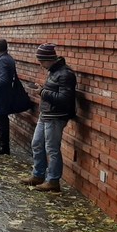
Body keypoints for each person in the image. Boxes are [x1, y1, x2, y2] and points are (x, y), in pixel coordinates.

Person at [21, 44, 77, 192]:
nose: (41, 64)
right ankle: (38, 175)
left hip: (56, 116)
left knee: (52, 148)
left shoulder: (65, 74)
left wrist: (42, 92)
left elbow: (65, 98)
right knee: (37, 144)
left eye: (42, 61)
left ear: (49, 59)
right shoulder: (53, 71)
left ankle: (53, 180)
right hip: (46, 113)